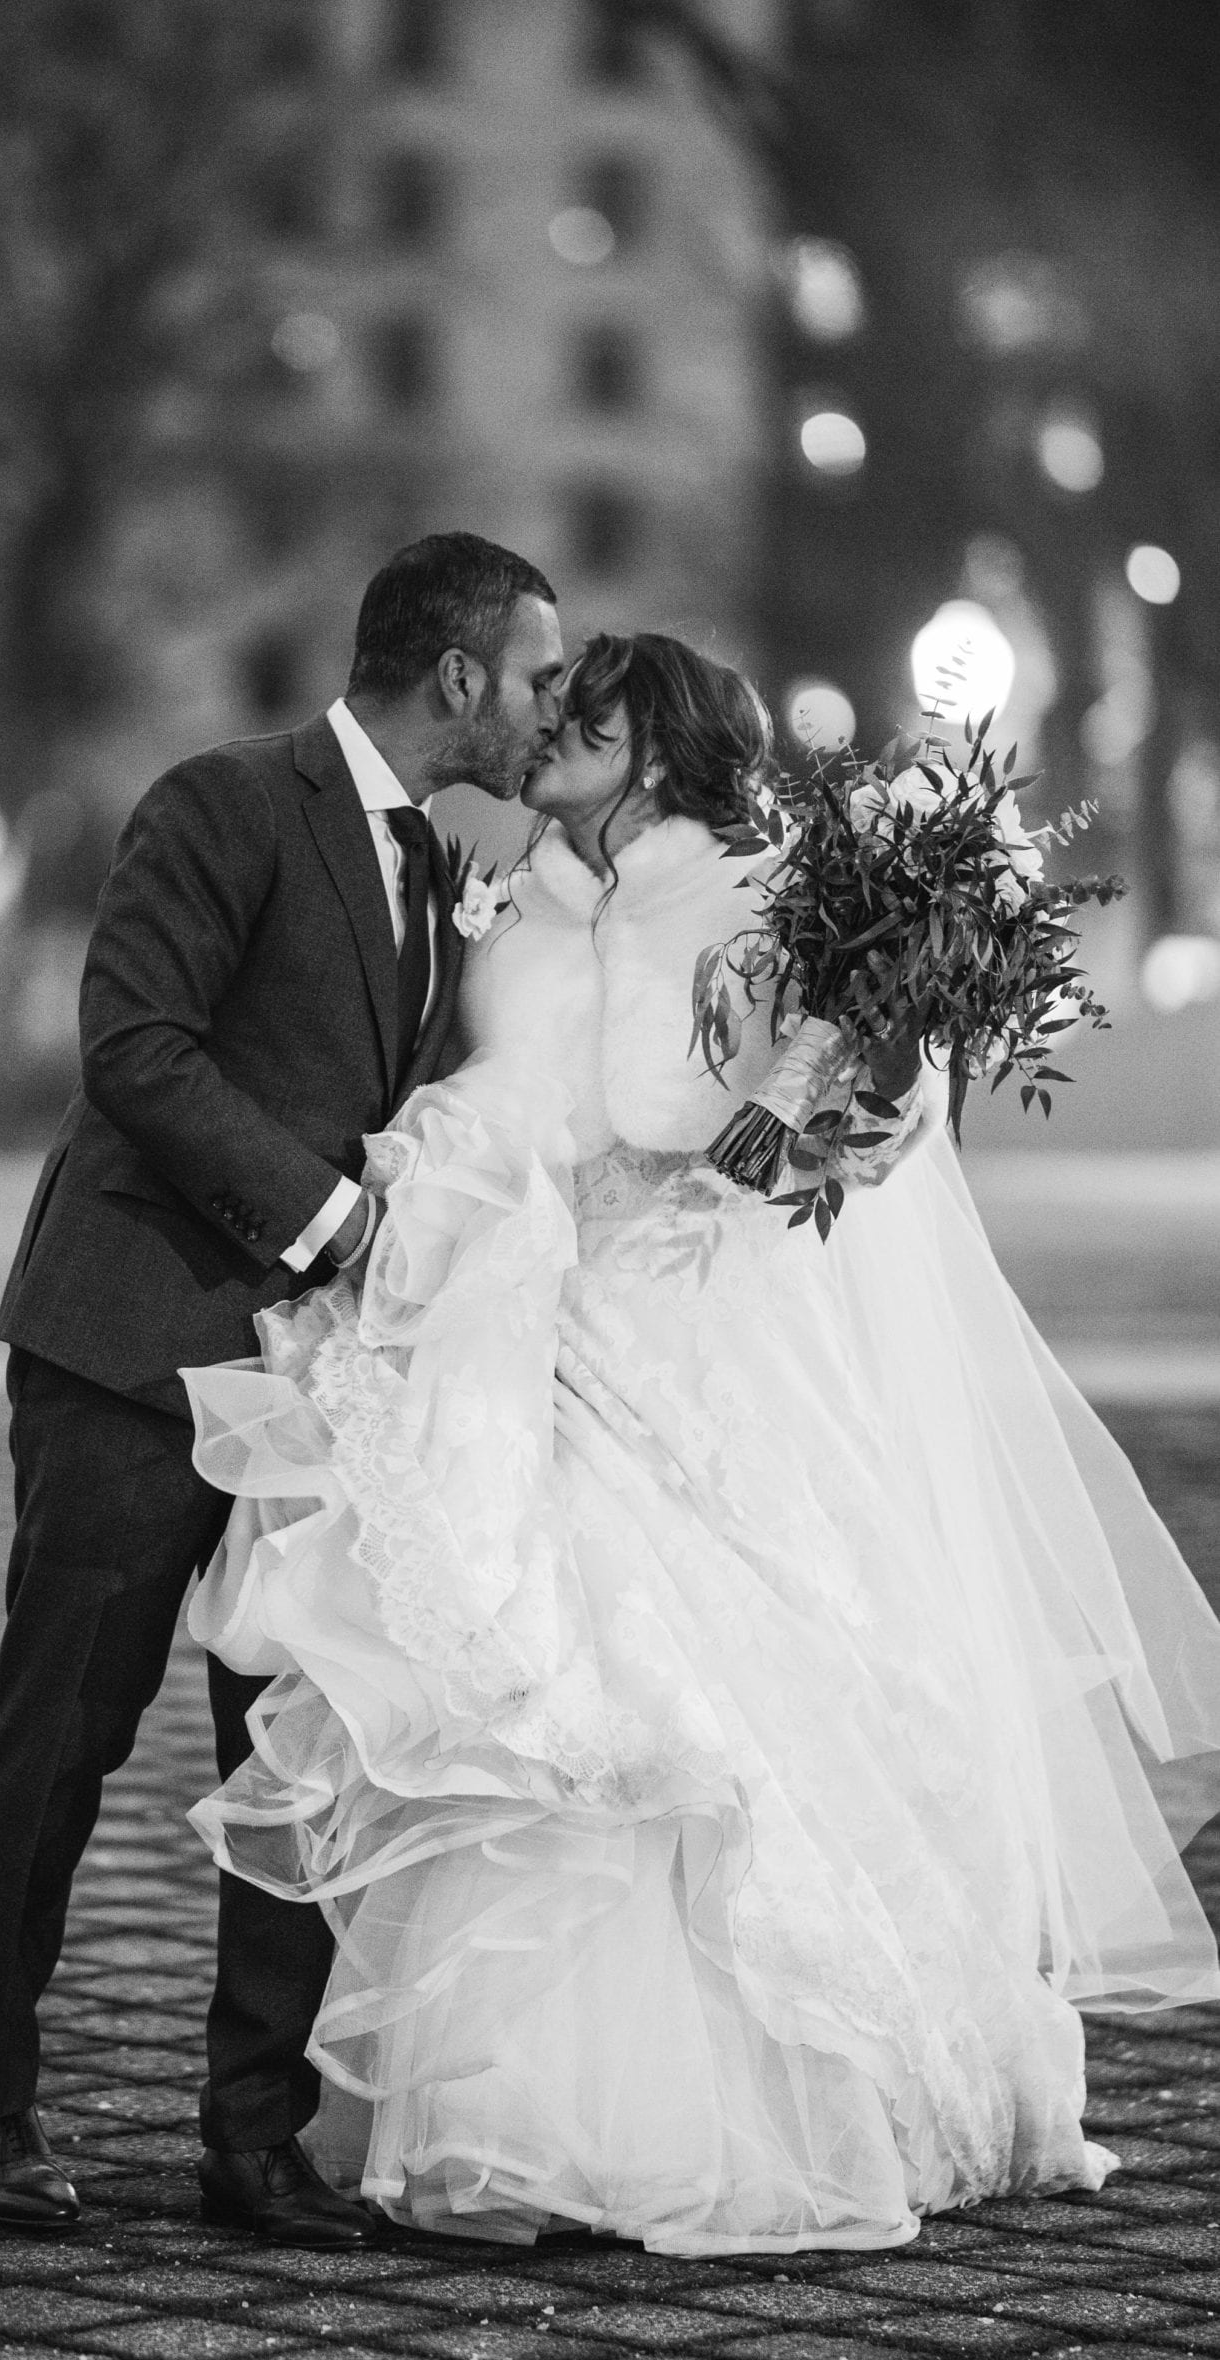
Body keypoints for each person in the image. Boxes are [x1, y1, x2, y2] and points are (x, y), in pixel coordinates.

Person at [183, 630, 1220, 2255]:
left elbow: (879, 1095)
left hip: (706, 1340)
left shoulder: (768, 886)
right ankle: (522, 2119)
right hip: (535, 1328)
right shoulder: (521, 897)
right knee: (547, 1711)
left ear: (650, 744)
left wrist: (857, 1117)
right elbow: (502, 1083)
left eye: (575, 718)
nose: (540, 737)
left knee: (718, 1697)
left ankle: (788, 2099)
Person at [0, 533, 567, 2244]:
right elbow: (136, 1046)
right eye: (531, 674)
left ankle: (250, 2136)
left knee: (301, 1745)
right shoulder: (223, 800)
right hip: (137, 1347)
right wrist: (337, 1219)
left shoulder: (447, 865)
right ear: (453, 676)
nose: (545, 706)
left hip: (318, 1391)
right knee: (60, 1735)